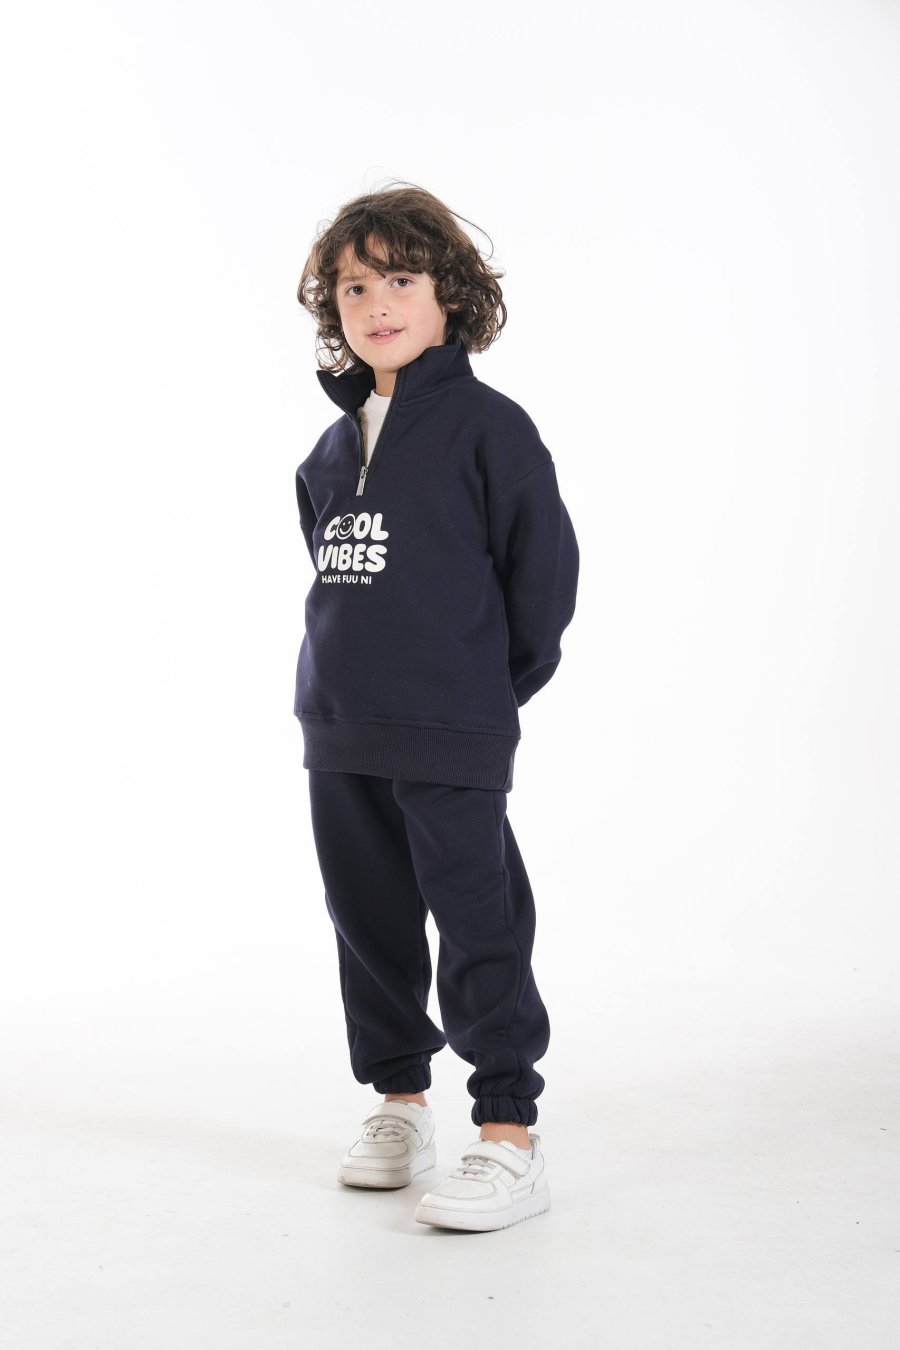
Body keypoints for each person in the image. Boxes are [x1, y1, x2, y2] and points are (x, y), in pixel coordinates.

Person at [293, 182, 579, 1231]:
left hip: (452, 725)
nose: (376, 303)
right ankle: (400, 1103)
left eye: (400, 279)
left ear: (448, 294)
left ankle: (508, 1133)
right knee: (366, 921)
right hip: (340, 726)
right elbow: (338, 583)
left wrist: (482, 693)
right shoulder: (328, 453)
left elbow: (542, 583)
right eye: (353, 287)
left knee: (477, 920)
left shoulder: (490, 430)